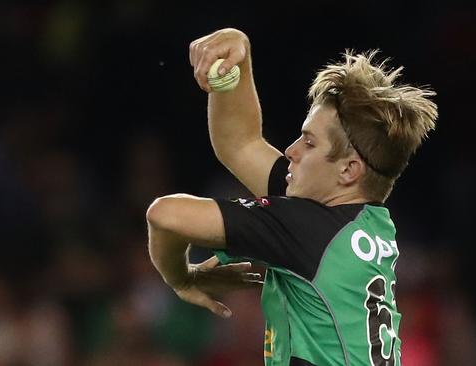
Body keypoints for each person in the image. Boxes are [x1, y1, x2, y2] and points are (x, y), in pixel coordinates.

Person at [147, 28, 438, 366]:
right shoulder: (362, 221)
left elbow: (165, 215)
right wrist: (236, 57)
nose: (291, 150)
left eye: (309, 143)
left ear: (348, 170)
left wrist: (180, 276)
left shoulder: (309, 229)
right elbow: (241, 143)